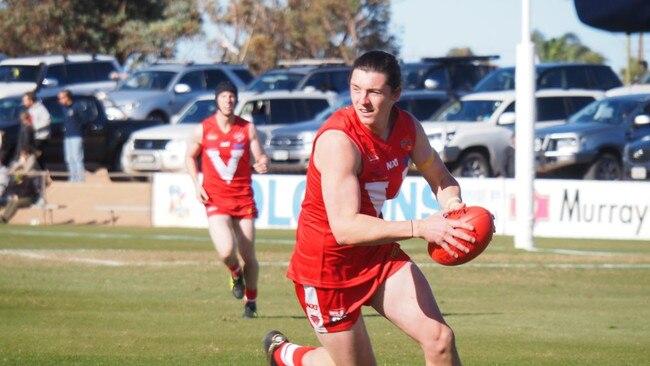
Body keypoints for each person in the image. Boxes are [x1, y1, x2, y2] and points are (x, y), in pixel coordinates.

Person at [263, 50, 474, 366]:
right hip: (327, 269)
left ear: (395, 94)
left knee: (439, 340)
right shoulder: (339, 141)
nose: (362, 100)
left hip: (376, 255)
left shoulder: (408, 129)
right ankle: (287, 356)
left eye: (374, 92)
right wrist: (420, 227)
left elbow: (441, 178)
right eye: (355, 89)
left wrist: (454, 208)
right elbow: (346, 228)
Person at [185, 81, 269, 319]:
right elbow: (189, 157)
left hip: (243, 200)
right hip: (216, 199)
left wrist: (263, 162)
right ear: (217, 100)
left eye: (232, 96)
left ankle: (250, 303)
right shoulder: (203, 129)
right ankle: (234, 273)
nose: (228, 100)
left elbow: (260, 155)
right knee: (226, 251)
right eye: (224, 96)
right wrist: (196, 184)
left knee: (249, 256)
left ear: (236, 100)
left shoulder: (247, 128)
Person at [0, 148, 40, 223]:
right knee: (11, 201)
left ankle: (5, 219)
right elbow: (12, 188)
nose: (18, 173)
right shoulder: (17, 179)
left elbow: (28, 190)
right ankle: (3, 217)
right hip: (18, 197)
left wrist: (18, 196)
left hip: (29, 198)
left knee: (16, 202)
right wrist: (14, 195)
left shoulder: (28, 179)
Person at [58, 89, 85, 182]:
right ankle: (72, 177)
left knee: (77, 157)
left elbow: (83, 119)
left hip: (76, 135)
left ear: (67, 97)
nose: (60, 100)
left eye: (61, 98)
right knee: (69, 158)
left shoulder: (76, 106)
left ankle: (80, 178)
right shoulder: (64, 108)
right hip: (67, 136)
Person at [22, 91, 51, 169]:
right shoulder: (30, 110)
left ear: (31, 100)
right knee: (34, 158)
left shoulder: (40, 108)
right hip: (33, 137)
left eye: (25, 101)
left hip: (40, 137)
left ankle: (42, 175)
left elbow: (47, 120)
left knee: (39, 157)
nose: (23, 103)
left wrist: (34, 127)